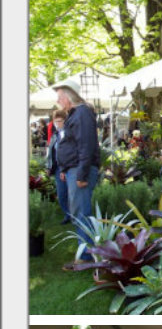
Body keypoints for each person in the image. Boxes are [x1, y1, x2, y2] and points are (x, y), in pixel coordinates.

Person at [54, 79, 100, 265]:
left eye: (59, 98)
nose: (58, 102)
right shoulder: (78, 114)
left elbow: (86, 146)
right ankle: (85, 253)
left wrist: (81, 175)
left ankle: (85, 257)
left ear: (68, 97)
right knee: (79, 211)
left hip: (81, 171)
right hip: (75, 170)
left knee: (81, 212)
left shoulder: (81, 113)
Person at [45, 107, 71, 224]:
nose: (57, 123)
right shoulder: (56, 135)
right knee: (61, 195)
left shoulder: (68, 133)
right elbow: (50, 152)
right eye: (55, 121)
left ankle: (73, 216)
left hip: (67, 168)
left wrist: (64, 169)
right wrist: (48, 167)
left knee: (70, 193)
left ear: (65, 121)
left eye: (59, 121)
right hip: (57, 169)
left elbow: (67, 152)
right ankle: (68, 215)